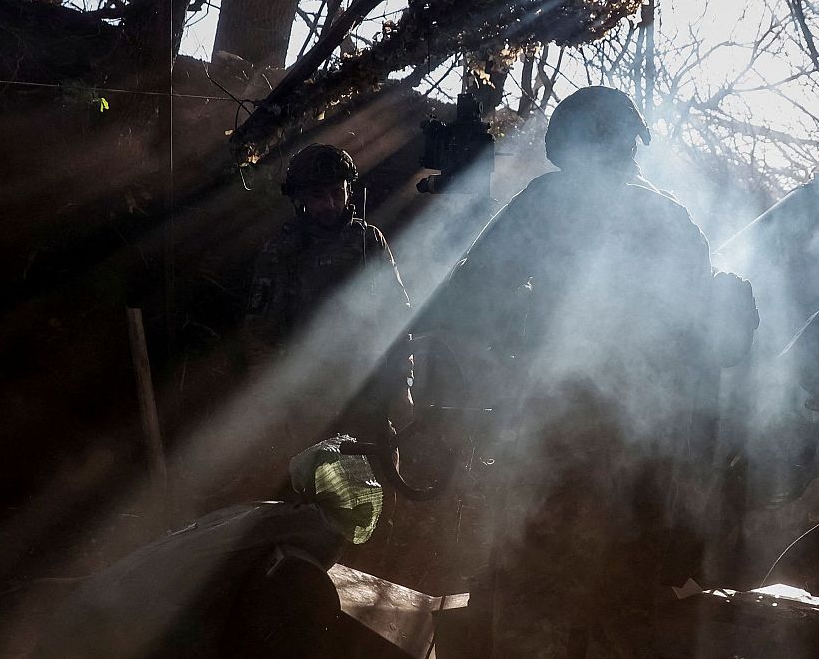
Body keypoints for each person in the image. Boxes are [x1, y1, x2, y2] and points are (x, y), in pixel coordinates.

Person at [425, 86, 756, 658]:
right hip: (650, 460)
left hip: (558, 443)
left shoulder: (552, 200)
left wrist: (508, 349)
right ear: (630, 143)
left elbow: (469, 295)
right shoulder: (675, 218)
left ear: (572, 143)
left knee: (532, 605)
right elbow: (700, 347)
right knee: (625, 613)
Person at [240, 144, 411, 495]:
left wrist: (404, 383)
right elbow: (260, 333)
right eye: (318, 196)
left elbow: (397, 315)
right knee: (316, 496)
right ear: (301, 198)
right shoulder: (282, 250)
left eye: (337, 192)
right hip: (307, 397)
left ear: (349, 189)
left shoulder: (368, 240)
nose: (330, 204)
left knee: (379, 487)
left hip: (367, 389)